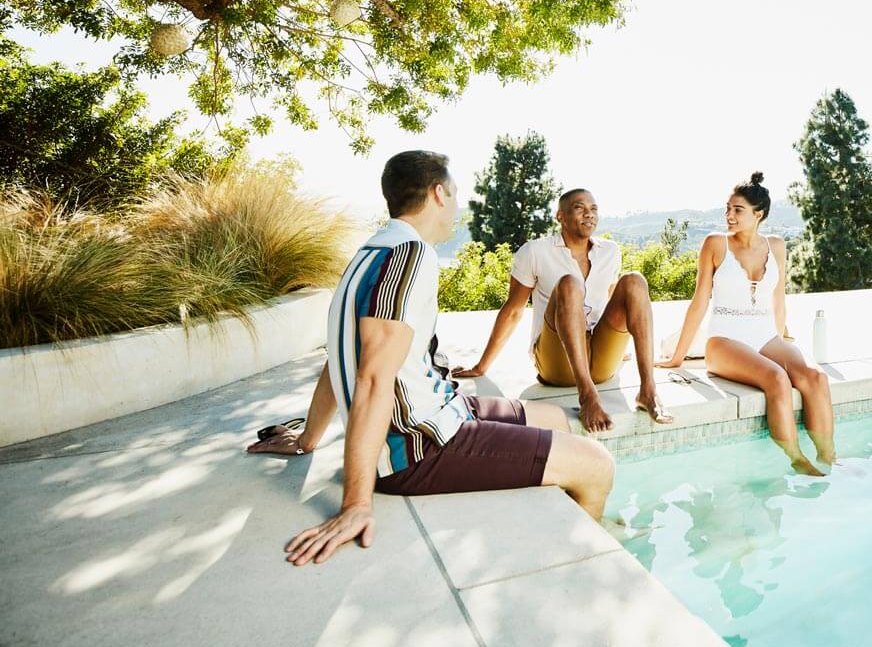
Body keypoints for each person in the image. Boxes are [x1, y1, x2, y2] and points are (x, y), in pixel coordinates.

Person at [247, 151, 614, 566]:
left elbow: (341, 358)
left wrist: (308, 440)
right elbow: (370, 378)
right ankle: (584, 563)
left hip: (443, 407)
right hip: (421, 446)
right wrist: (355, 504)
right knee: (597, 466)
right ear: (438, 193)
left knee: (555, 419)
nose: (457, 205)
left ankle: (557, 528)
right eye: (454, 194)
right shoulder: (408, 257)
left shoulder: (372, 251)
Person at [656, 173, 835, 475]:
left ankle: (829, 456)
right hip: (724, 340)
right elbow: (699, 302)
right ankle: (796, 459)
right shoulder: (715, 244)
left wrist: (782, 345)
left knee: (816, 379)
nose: (729, 215)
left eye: (737, 210)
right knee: (777, 379)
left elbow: (778, 299)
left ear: (759, 214)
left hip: (765, 336)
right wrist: (678, 357)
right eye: (727, 208)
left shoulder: (776, 246)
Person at [452, 188, 673, 432]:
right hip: (556, 363)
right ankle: (587, 396)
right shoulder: (535, 251)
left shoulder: (610, 251)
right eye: (579, 208)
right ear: (560, 216)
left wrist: (617, 349)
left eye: (594, 209)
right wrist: (482, 366)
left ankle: (648, 391)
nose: (589, 214)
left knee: (635, 281)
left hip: (600, 363)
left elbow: (613, 302)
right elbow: (513, 310)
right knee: (569, 283)